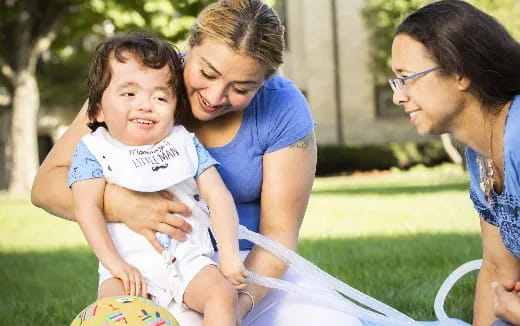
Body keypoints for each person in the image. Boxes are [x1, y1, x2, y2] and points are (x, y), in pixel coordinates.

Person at [31, 0, 361, 325]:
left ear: (263, 83)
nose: (216, 97)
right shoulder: (141, 84)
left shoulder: (282, 108)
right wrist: (124, 204)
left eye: (241, 88)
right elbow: (46, 187)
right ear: (189, 46)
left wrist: (236, 306)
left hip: (248, 274)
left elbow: (278, 235)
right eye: (207, 72)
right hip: (148, 269)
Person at [70, 31, 247, 326]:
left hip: (189, 260)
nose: (146, 104)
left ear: (175, 110)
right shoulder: (92, 150)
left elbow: (219, 196)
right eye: (129, 93)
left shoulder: (184, 143)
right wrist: (116, 266)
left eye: (160, 96)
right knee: (112, 311)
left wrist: (229, 256)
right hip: (126, 266)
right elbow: (85, 208)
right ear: (98, 108)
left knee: (223, 295)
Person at [389, 1, 520, 325]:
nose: (398, 96)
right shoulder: (481, 157)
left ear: (460, 72)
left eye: (407, 78)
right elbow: (497, 269)